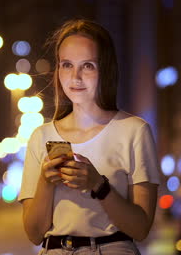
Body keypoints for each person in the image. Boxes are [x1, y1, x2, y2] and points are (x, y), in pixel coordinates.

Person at [18, 19, 160, 255]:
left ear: (105, 70)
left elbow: (141, 228)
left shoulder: (134, 131)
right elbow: (34, 234)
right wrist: (45, 181)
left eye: (87, 66)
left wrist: (98, 184)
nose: (75, 76)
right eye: (66, 64)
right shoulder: (40, 136)